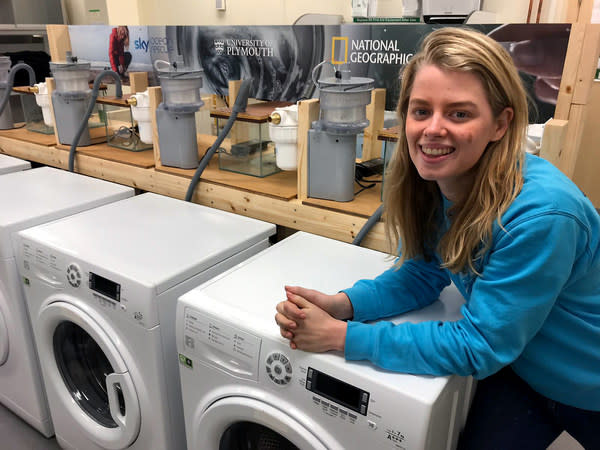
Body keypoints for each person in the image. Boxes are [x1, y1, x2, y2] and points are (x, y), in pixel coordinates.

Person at [275, 27, 600, 449]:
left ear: (501, 124)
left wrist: (340, 337)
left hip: (588, 385)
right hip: (521, 368)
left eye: (459, 114)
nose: (433, 129)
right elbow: (423, 275)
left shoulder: (541, 217)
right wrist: (345, 305)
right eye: (420, 110)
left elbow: (479, 345)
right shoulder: (443, 180)